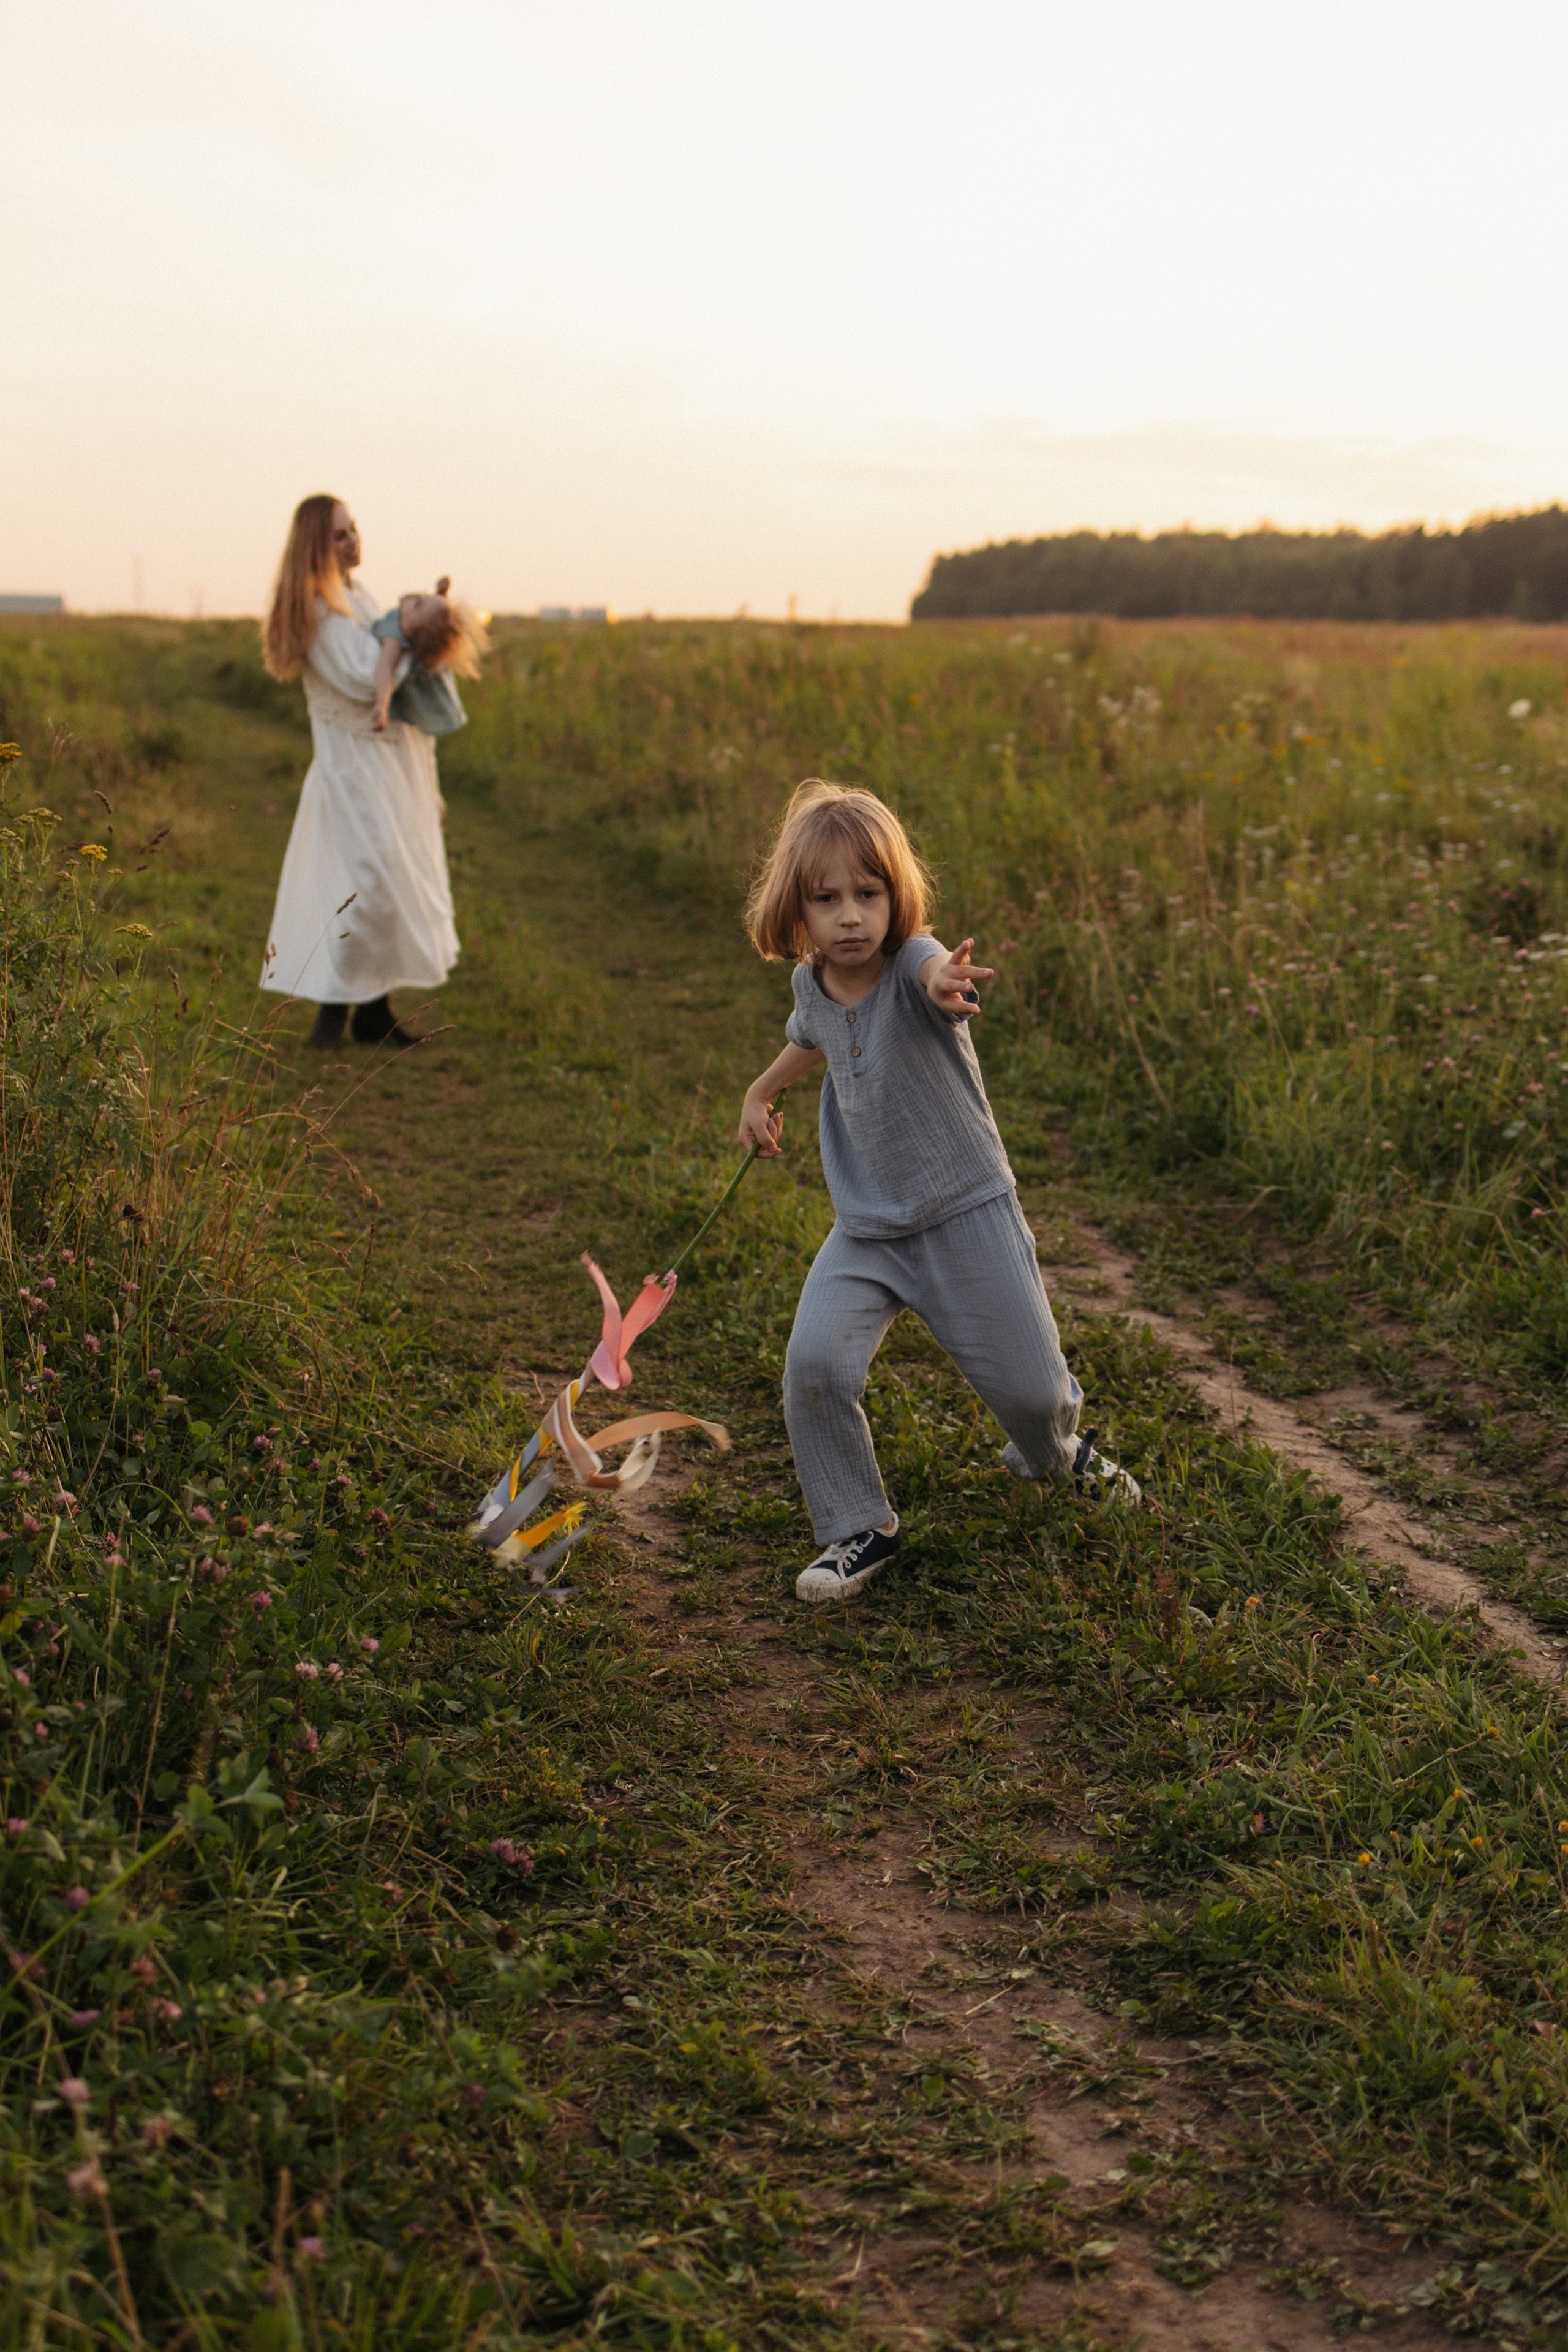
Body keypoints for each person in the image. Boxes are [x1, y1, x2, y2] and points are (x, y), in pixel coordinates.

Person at [737, 779, 1140, 1607]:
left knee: (1033, 1396)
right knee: (813, 1366)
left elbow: (929, 974)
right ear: (797, 911)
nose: (851, 916)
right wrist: (760, 1093)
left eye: (869, 894)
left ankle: (1060, 1457)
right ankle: (860, 1526)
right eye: (827, 899)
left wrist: (943, 985)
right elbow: (807, 1040)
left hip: (965, 1212)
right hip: (869, 1229)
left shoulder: (917, 963)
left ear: (896, 898)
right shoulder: (813, 987)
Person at [259, 495, 462, 1049]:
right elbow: (357, 676)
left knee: (385, 881)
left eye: (355, 530)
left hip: (386, 762)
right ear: (317, 550)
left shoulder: (356, 594)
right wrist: (422, 637)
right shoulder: (318, 609)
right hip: (352, 768)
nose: (354, 542)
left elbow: (385, 653)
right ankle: (332, 1013)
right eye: (341, 537)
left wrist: (417, 630)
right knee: (364, 884)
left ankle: (373, 1010)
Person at [370, 577, 486, 739]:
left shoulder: (394, 637)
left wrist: (382, 705)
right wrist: (441, 594)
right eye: (426, 597)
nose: (421, 597)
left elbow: (386, 668)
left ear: (409, 630)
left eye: (418, 605)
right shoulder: (413, 621)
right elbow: (431, 614)